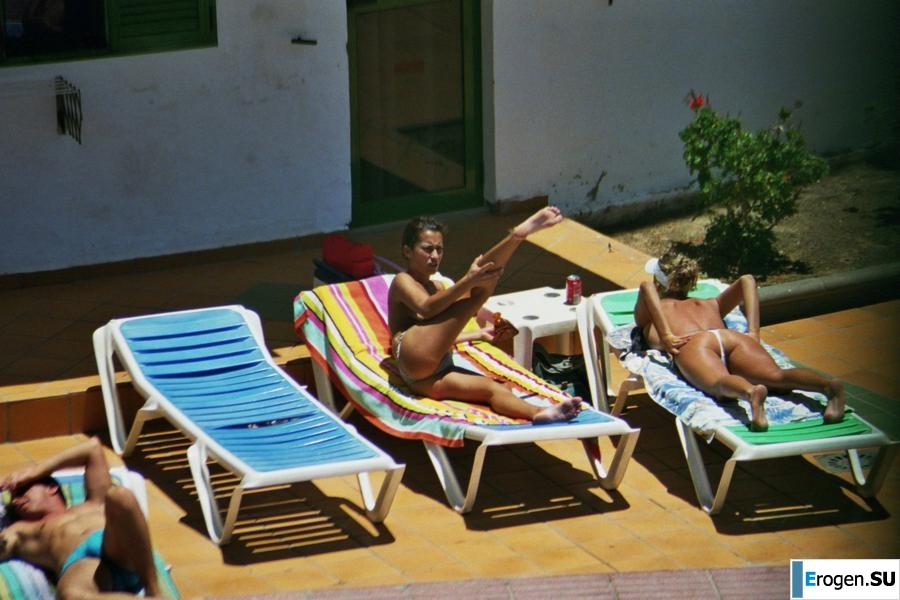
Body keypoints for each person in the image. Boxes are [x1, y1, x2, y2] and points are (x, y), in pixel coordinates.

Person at [388, 207, 582, 423]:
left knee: (496, 388)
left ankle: (540, 413)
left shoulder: (439, 287)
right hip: (410, 354)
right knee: (477, 290)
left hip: (430, 376)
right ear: (407, 251)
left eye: (439, 250)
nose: (435, 256)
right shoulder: (402, 281)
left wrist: (477, 335)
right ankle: (517, 235)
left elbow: (437, 335)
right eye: (427, 249)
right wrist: (468, 281)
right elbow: (426, 308)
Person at [635, 250, 845, 432]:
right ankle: (828, 386)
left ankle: (751, 393)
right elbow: (747, 280)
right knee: (777, 376)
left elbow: (646, 288)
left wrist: (665, 336)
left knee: (718, 383)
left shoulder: (655, 314)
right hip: (731, 337)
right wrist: (753, 332)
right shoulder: (710, 304)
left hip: (696, 343)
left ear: (658, 282)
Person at [0, 437, 161, 598]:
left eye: (22, 490)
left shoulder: (95, 501)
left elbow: (93, 448)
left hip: (114, 546)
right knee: (71, 596)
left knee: (120, 496)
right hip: (80, 565)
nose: (16, 500)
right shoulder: (22, 530)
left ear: (52, 488)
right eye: (14, 498)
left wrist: (36, 471)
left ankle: (153, 590)